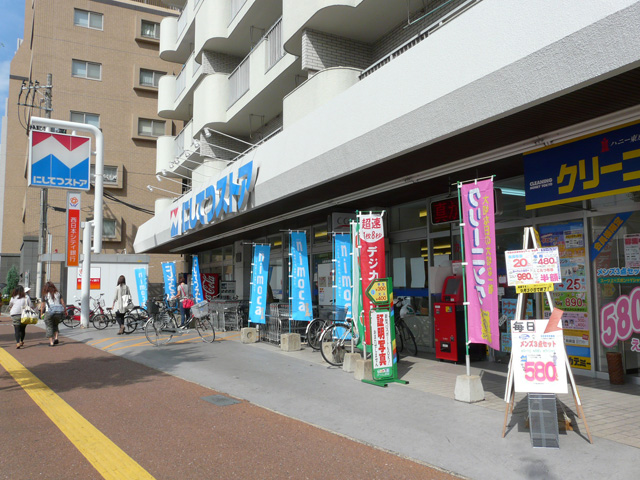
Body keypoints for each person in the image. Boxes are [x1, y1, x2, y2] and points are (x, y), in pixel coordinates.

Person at [40, 281, 66, 347]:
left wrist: (41, 313)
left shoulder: (45, 294)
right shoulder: (58, 293)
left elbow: (42, 305)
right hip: (58, 312)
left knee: (49, 326)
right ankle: (56, 338)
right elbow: (62, 303)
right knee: (55, 325)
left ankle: (51, 342)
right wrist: (65, 310)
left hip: (49, 312)